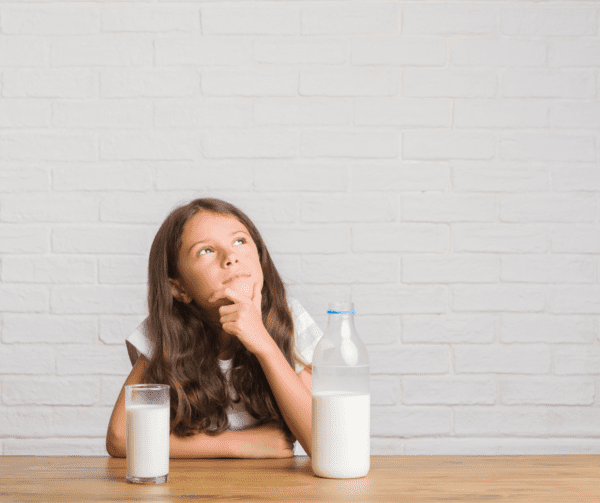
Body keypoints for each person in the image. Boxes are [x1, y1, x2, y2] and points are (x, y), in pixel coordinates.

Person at [106, 198, 323, 458]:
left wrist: (263, 342)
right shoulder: (164, 332)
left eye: (240, 241)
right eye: (205, 250)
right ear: (179, 288)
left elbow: (324, 445)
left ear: (260, 258)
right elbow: (120, 438)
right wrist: (238, 445)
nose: (230, 256)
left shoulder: (291, 318)